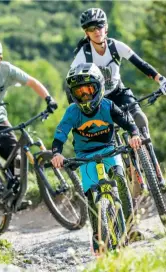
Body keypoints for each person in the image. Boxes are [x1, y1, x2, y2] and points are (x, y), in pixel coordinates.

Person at [70, 8, 166, 187]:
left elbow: (140, 64)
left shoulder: (115, 46)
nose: (96, 31)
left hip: (119, 92)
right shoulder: (83, 55)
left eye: (99, 26)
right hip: (99, 101)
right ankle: (130, 173)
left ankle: (154, 168)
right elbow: (71, 84)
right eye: (91, 28)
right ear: (86, 32)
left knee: (140, 119)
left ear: (106, 27)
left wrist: (161, 79)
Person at [51, 62, 142, 254]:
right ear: (73, 94)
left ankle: (129, 221)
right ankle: (97, 237)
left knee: (118, 176)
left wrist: (134, 134)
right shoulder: (73, 112)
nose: (84, 96)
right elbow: (60, 135)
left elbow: (128, 123)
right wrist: (56, 153)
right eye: (79, 92)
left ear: (99, 87)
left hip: (109, 149)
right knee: (91, 197)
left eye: (88, 90)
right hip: (84, 156)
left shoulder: (108, 106)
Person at [0, 37, 57, 200]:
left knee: (18, 157)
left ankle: (15, 192)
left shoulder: (7, 70)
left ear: (1, 57)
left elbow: (32, 82)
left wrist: (49, 98)